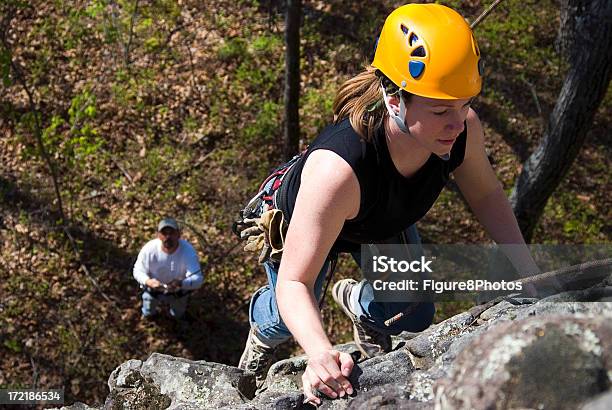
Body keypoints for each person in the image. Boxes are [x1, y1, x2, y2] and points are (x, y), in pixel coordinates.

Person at [237, 3, 540, 404]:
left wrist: (529, 271)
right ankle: (261, 325)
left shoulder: (462, 130)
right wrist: (319, 354)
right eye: (439, 109)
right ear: (394, 98)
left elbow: (486, 195)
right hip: (303, 215)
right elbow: (296, 282)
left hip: (377, 216)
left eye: (465, 103)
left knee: (413, 310)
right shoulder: (338, 170)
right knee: (282, 319)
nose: (457, 121)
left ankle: (359, 303)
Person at [133, 217, 203, 320]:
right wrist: (148, 282)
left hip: (178, 292)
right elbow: (138, 271)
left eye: (172, 233)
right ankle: (148, 318)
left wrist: (180, 283)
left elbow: (198, 279)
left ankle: (176, 322)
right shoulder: (149, 249)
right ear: (158, 235)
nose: (168, 237)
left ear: (178, 234)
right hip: (153, 290)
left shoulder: (188, 251)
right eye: (164, 233)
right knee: (148, 308)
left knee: (178, 313)